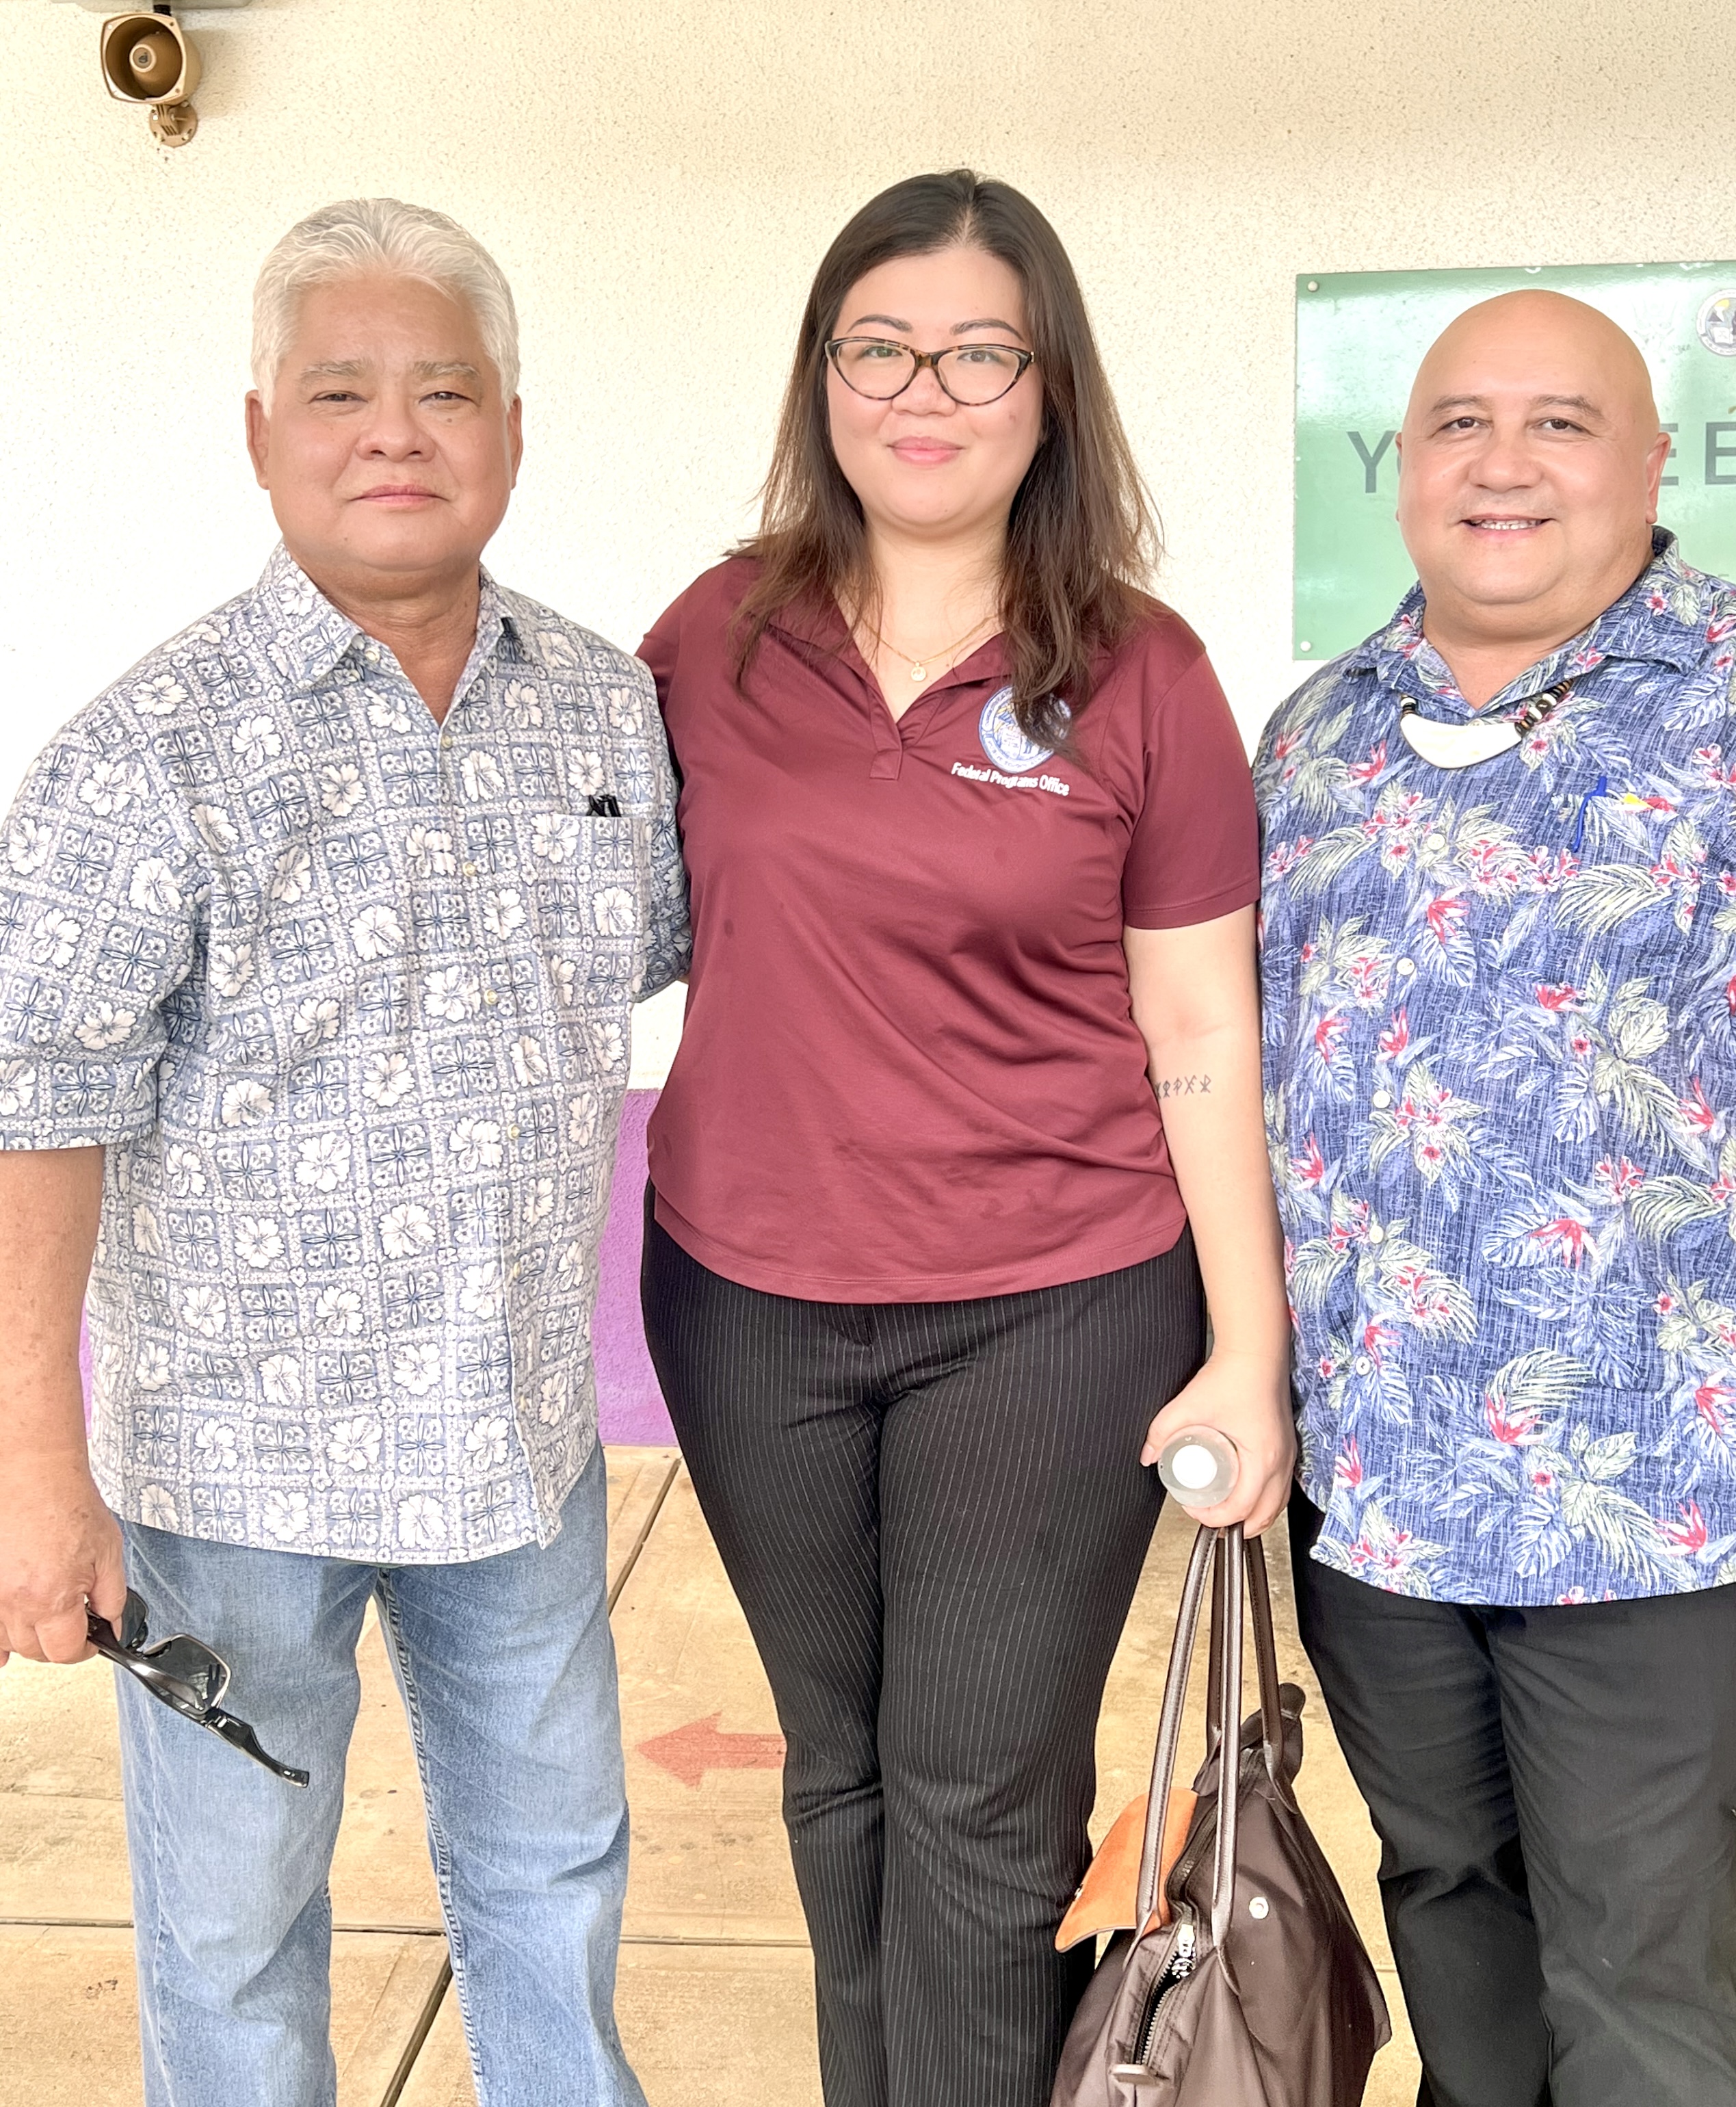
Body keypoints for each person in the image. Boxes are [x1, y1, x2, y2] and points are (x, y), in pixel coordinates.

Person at [0, 198, 688, 2107]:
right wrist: (30, 1473)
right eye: (340, 392)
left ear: (513, 430)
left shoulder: (607, 703)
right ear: (259, 435)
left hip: (517, 1445)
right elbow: (28, 1104)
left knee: (552, 1885)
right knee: (231, 1942)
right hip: (235, 1476)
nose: (395, 430)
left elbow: (693, 957)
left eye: (443, 389)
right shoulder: (151, 749)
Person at [637, 168, 1294, 2107]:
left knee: (978, 1801)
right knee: (836, 1778)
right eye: (880, 348)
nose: (924, 391)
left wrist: (1244, 1352)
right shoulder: (715, 634)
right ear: (823, 376)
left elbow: (1195, 1027)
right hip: (747, 1303)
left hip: (1052, 1311)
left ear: (1048, 388)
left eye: (977, 351)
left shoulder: (1142, 672)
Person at [1257, 289, 1736, 2104]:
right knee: (1450, 1928)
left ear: (1653, 462)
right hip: (1381, 1501)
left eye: (1559, 424)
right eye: (1458, 424)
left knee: (1641, 1986)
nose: (1502, 464)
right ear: (1401, 471)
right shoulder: (1317, 736)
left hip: (1658, 1509)